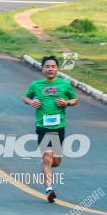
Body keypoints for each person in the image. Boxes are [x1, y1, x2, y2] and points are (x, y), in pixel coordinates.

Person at [22, 56, 78, 203]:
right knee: (47, 157)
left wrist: (67, 102)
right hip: (42, 126)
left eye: (53, 66)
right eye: (47, 66)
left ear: (57, 68)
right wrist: (32, 101)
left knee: (56, 161)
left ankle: (46, 166)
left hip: (59, 127)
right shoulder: (36, 85)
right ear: (43, 69)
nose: (50, 69)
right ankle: (49, 189)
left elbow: (75, 99)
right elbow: (26, 98)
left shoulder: (64, 84)